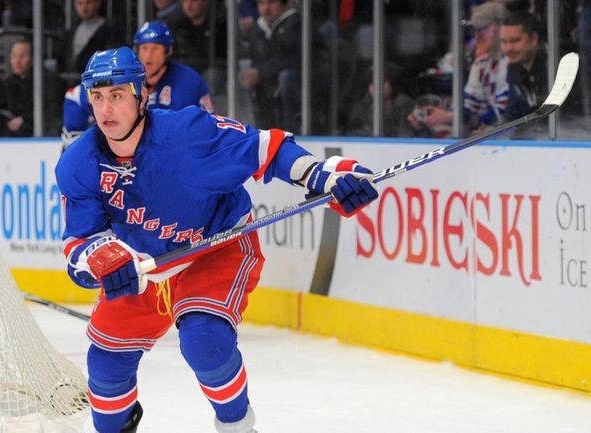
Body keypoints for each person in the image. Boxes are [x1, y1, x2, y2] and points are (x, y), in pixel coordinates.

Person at [56, 46, 378, 433]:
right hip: (147, 268)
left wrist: (324, 174)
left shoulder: (188, 133)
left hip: (215, 248)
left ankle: (239, 427)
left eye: (117, 95)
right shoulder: (78, 163)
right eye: (97, 97)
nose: (105, 109)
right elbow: (80, 239)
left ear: (141, 95)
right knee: (105, 366)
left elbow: (267, 149)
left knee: (204, 339)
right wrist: (102, 257)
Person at [240, 0, 301, 133]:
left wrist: (261, 72)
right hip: (267, 81)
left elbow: (297, 60)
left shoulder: (297, 24)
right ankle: (249, 128)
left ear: (285, 4)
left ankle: (292, 128)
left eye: (272, 3)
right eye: (261, 3)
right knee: (242, 72)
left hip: (295, 81)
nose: (266, 9)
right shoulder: (258, 27)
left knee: (286, 77)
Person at [133, 22, 213, 112]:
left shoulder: (190, 82)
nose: (148, 55)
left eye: (155, 48)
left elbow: (208, 122)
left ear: (168, 51)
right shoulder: (128, 82)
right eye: (144, 48)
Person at [3, 40, 66, 136]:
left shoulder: (50, 81)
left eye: (22, 56)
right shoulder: (8, 83)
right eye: (14, 56)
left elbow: (53, 112)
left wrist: (24, 119)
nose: (17, 61)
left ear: (34, 58)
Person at [463, 1, 510, 131]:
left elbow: (503, 112)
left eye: (483, 28)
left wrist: (449, 117)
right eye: (475, 29)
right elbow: (469, 106)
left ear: (501, 26)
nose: (477, 35)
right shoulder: (480, 63)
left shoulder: (510, 62)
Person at [500, 11, 547, 120]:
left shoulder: (554, 68)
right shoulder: (513, 70)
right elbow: (513, 114)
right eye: (504, 41)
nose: (508, 49)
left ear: (533, 39)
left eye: (514, 41)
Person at [58, 0, 125, 75]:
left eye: (88, 3)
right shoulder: (71, 31)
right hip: (70, 82)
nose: (84, 8)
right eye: (80, 3)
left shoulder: (110, 29)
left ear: (97, 3)